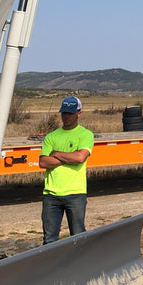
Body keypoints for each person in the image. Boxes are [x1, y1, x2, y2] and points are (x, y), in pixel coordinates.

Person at [38, 96, 94, 244]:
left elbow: (80, 158)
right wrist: (69, 157)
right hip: (51, 194)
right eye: (64, 113)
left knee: (78, 237)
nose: (66, 116)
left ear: (79, 113)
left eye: (70, 113)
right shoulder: (51, 137)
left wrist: (56, 154)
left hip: (75, 193)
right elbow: (43, 162)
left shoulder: (86, 135)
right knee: (49, 239)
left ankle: (78, 265)